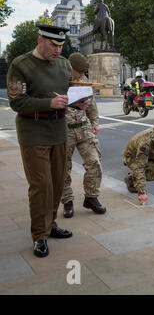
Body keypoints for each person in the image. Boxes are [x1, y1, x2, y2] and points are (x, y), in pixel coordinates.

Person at [7, 24, 74, 258]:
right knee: (41, 186)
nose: (57, 50)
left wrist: (79, 102)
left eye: (61, 45)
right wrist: (48, 104)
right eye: (53, 45)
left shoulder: (65, 64)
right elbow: (16, 101)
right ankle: (39, 236)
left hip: (59, 130)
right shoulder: (21, 64)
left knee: (56, 183)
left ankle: (51, 225)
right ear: (40, 41)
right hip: (33, 131)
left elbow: (69, 92)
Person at [61, 53, 106, 218]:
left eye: (83, 71)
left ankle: (91, 197)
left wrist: (95, 122)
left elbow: (92, 104)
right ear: (69, 68)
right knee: (63, 168)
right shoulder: (58, 80)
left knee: (94, 162)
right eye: (78, 71)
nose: (81, 74)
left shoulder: (85, 81)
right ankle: (67, 201)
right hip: (64, 129)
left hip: (84, 127)